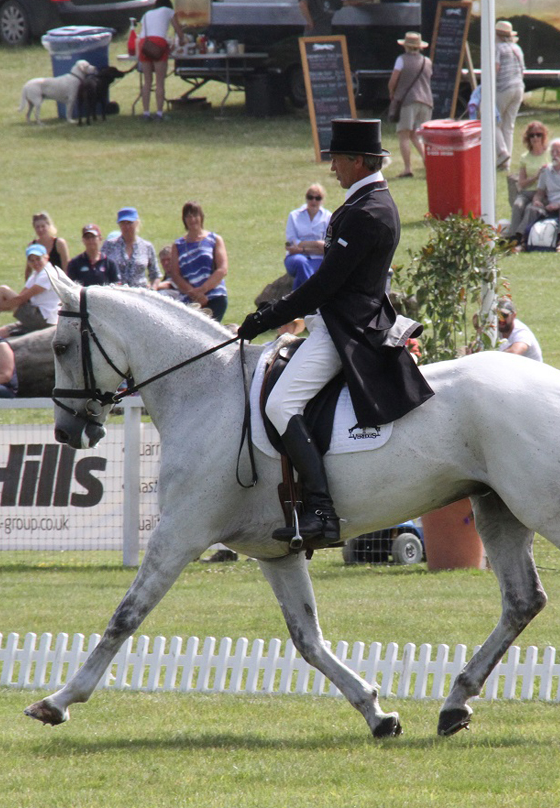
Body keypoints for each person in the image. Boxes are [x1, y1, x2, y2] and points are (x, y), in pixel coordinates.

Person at [237, 118, 434, 545]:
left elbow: (325, 285)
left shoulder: (369, 212)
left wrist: (265, 317)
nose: (332, 170)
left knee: (280, 404)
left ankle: (322, 511)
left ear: (360, 161)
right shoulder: (364, 202)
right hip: (334, 321)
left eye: (338, 160)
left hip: (346, 328)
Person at [518, 138, 560, 253]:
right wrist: (537, 201)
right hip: (551, 206)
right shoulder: (546, 171)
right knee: (531, 208)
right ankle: (522, 241)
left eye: (558, 152)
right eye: (552, 152)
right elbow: (539, 193)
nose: (554, 155)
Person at [168, 200, 229, 320]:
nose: (192, 219)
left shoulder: (214, 240)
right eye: (188, 216)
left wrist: (202, 290)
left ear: (201, 217)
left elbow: (222, 269)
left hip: (214, 295)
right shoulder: (178, 245)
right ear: (184, 219)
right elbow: (175, 274)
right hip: (189, 299)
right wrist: (194, 294)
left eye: (195, 215)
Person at [0, 244, 60, 338]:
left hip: (44, 319)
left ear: (46, 257)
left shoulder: (48, 274)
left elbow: (21, 299)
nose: (35, 263)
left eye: (38, 258)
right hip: (39, 316)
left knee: (3, 290)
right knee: (1, 333)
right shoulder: (36, 274)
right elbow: (18, 299)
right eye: (31, 260)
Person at [387, 32, 432, 178]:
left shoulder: (401, 60)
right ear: (419, 47)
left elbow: (393, 81)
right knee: (417, 135)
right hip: (426, 101)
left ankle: (407, 168)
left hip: (408, 101)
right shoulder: (427, 61)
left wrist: (392, 93)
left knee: (404, 134)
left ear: (406, 46)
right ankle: (429, 163)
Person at [137, 0, 182, 122]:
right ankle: (159, 113)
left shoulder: (147, 14)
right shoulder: (169, 11)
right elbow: (178, 31)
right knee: (159, 82)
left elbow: (142, 32)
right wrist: (182, 40)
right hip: (158, 43)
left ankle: (146, 113)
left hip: (144, 44)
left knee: (147, 81)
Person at [505, 122, 550, 240]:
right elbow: (521, 183)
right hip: (527, 192)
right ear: (528, 138)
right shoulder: (525, 157)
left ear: (543, 136)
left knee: (531, 208)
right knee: (517, 205)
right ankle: (512, 236)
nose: (535, 138)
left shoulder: (549, 155)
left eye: (538, 134)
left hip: (542, 193)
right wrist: (535, 177)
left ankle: (519, 237)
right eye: (532, 135)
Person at [284, 184, 331, 290]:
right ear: (306, 198)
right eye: (310, 197)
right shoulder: (294, 216)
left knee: (302, 275)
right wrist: (316, 244)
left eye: (317, 198)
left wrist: (301, 248)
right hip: (295, 258)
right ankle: (313, 298)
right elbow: (292, 241)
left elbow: (327, 246)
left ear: (322, 200)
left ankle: (295, 304)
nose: (313, 201)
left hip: (318, 258)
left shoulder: (328, 217)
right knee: (301, 263)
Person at [102, 207, 162, 288]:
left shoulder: (147, 246)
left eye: (129, 223)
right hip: (116, 293)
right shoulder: (109, 245)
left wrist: (153, 289)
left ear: (137, 223)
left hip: (139, 294)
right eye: (123, 223)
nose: (126, 227)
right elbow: (101, 269)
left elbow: (155, 274)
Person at [494, 20, 525, 172]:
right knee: (508, 125)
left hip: (503, 87)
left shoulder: (497, 48)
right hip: (518, 87)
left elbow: (496, 68)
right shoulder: (517, 48)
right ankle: (506, 162)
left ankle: (502, 152)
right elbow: (522, 69)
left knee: (493, 122)